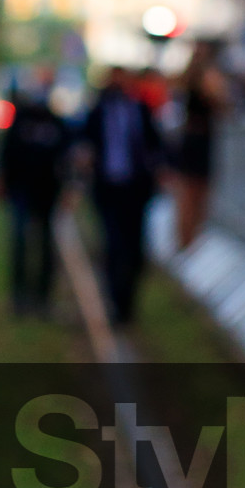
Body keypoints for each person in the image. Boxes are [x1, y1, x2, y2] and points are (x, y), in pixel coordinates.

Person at [81, 64, 165, 325]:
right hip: (108, 190)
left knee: (135, 249)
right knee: (114, 246)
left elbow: (157, 145)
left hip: (136, 190)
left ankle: (128, 303)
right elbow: (83, 143)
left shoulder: (141, 109)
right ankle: (114, 302)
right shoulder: (96, 111)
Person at [0, 69, 72, 313]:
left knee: (46, 246)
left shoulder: (56, 122)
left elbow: (66, 159)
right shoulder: (21, 119)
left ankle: (43, 298)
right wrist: (1, 180)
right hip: (21, 190)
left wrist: (68, 187)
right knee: (20, 243)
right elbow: (6, 151)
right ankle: (19, 297)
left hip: (47, 192)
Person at [170, 39, 230, 250]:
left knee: (192, 195)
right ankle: (187, 243)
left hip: (197, 140)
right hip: (197, 141)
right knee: (192, 195)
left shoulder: (190, 77)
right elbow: (222, 103)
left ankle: (189, 243)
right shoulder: (203, 78)